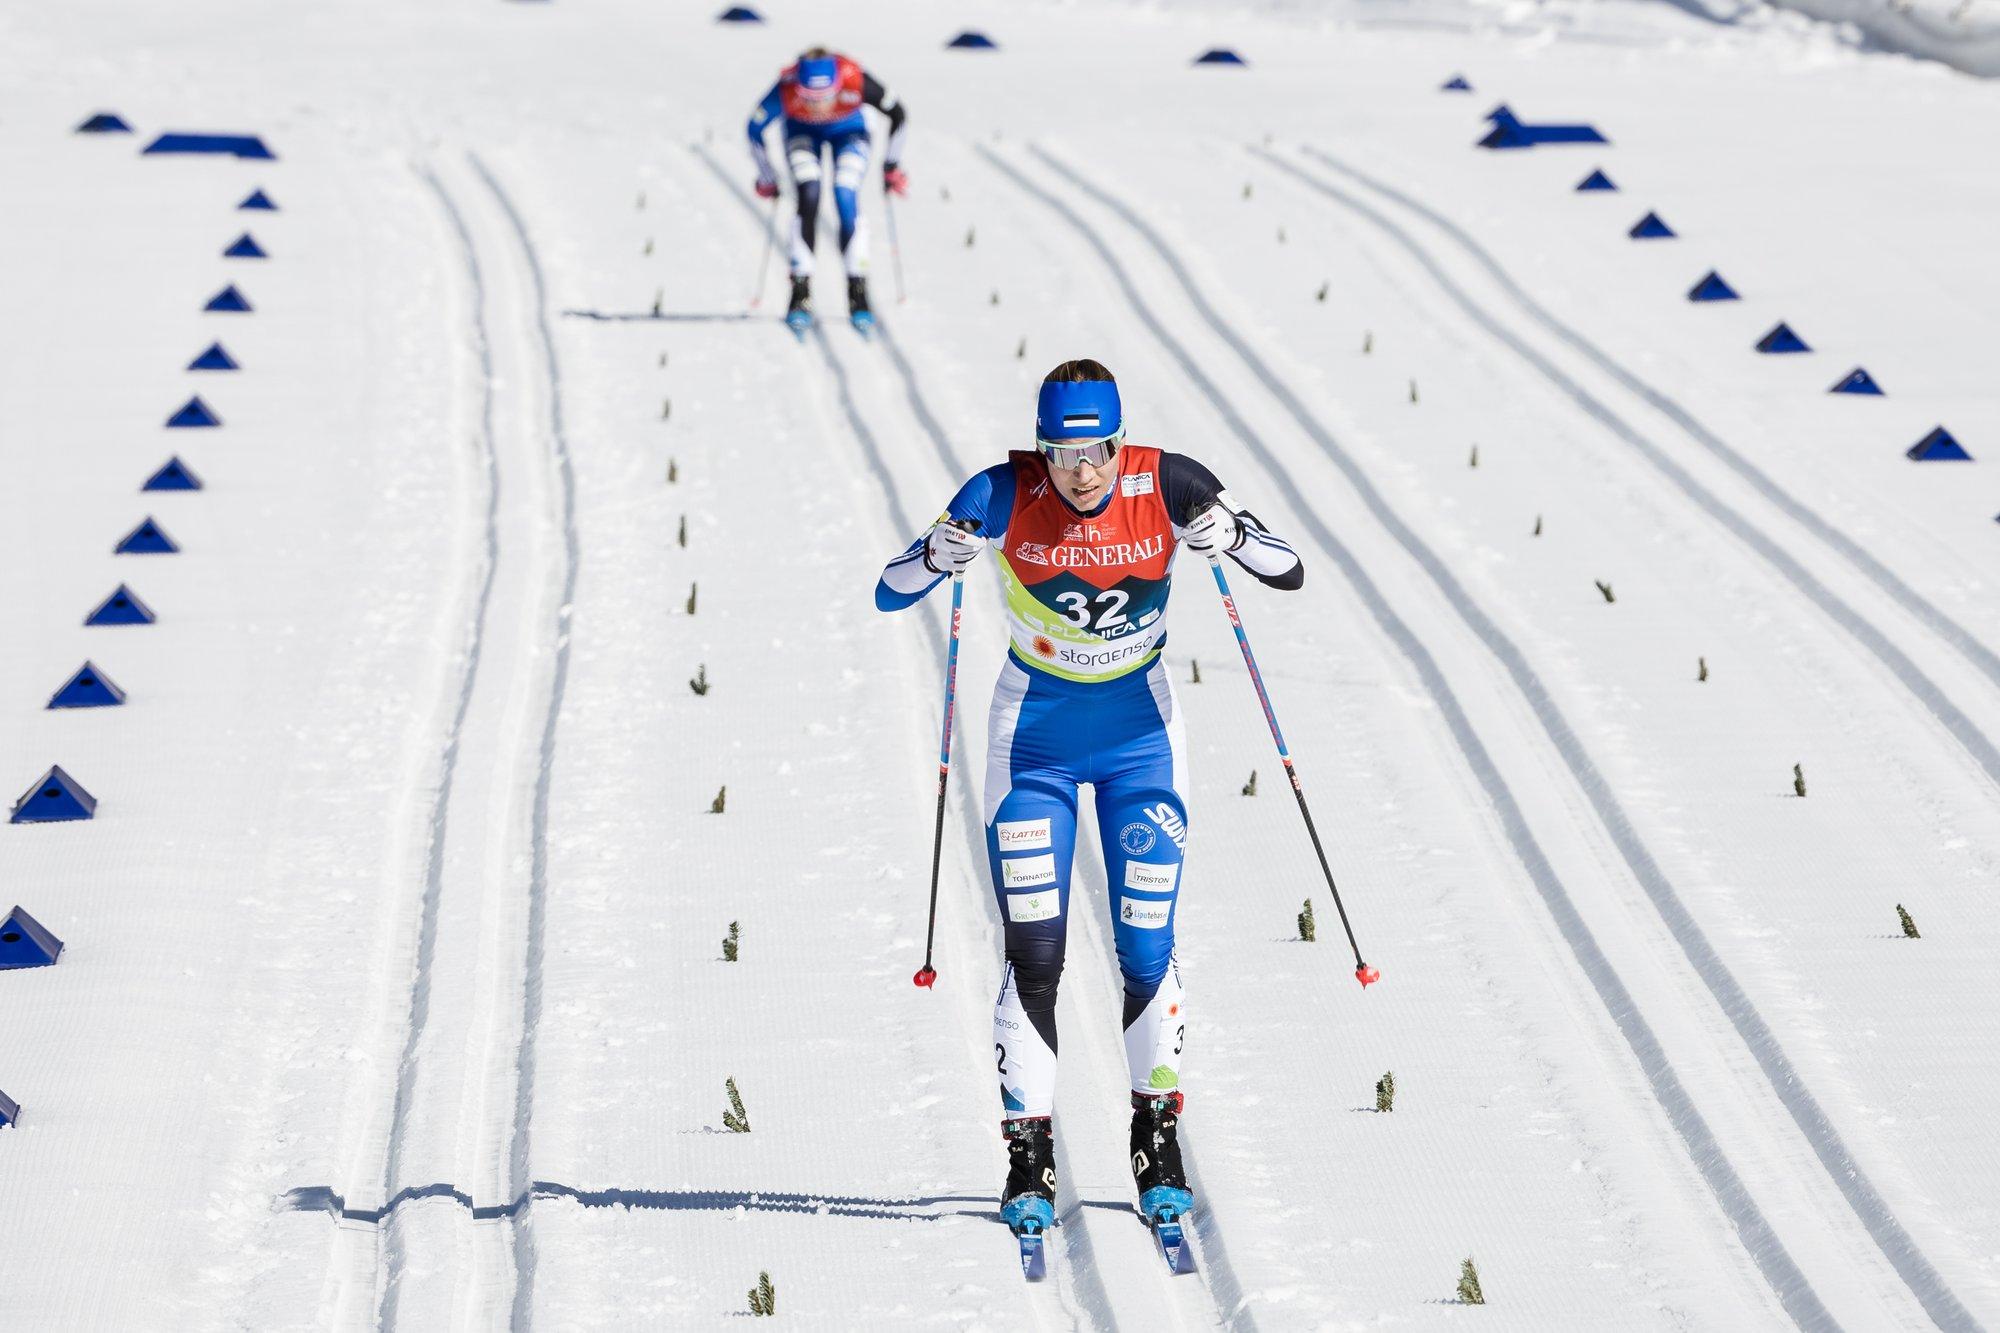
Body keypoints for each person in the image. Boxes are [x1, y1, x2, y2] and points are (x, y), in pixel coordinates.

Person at [874, 360, 1304, 1236]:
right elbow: (890, 590)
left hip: (1139, 738)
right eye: (1062, 452)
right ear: (1042, 448)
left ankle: (1158, 1138)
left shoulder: (1168, 480)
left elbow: (1288, 570)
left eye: (1096, 450)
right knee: (1037, 947)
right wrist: (935, 554)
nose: (1081, 472)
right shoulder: (1000, 492)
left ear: (1119, 440)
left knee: (1146, 943)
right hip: (1032, 737)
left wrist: (1233, 536)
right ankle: (1026, 1159)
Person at [745, 46, 908, 324]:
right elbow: (754, 129)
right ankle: (800, 291)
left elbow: (898, 115)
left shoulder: (855, 79)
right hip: (802, 132)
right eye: (809, 97)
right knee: (808, 194)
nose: (818, 105)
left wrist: (891, 166)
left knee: (845, 193)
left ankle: (858, 291)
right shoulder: (786, 87)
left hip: (850, 130)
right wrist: (767, 178)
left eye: (826, 96)